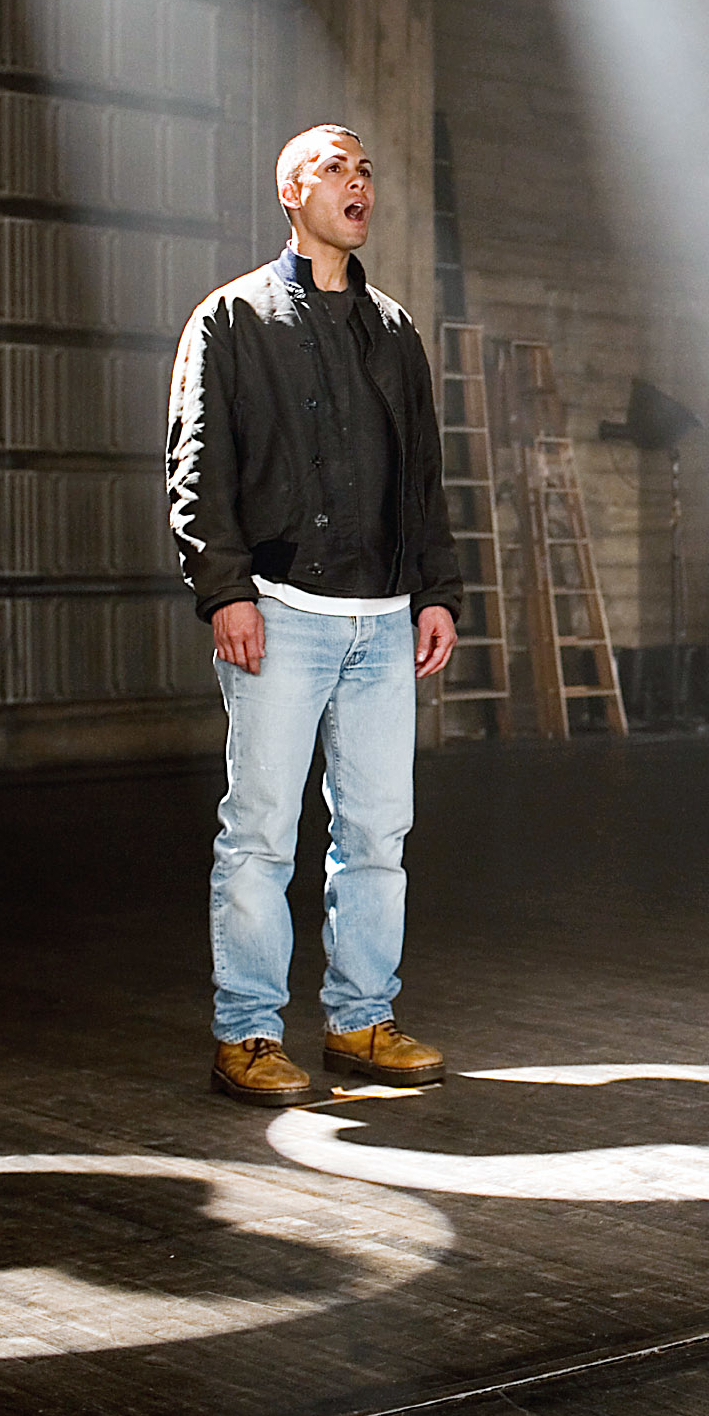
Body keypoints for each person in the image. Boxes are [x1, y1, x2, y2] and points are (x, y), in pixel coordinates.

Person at [168, 125, 461, 1104]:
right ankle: (246, 1033)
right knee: (259, 834)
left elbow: (423, 473)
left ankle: (360, 1017)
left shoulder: (394, 328)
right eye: (335, 167)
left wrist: (436, 591)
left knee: (377, 834)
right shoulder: (232, 321)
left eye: (367, 167)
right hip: (281, 612)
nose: (358, 181)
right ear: (290, 191)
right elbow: (196, 467)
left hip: (382, 619)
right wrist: (224, 591)